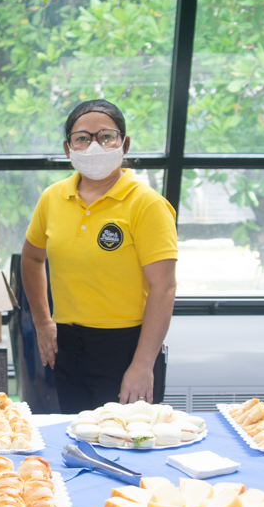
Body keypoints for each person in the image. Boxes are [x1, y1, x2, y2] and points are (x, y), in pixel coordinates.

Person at [20, 100, 178, 413]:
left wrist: (143, 365)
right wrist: (42, 322)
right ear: (68, 149)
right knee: (78, 437)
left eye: (106, 136)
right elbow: (31, 259)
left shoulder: (146, 204)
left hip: (128, 347)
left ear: (124, 143)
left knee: (129, 444)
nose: (94, 146)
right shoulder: (52, 198)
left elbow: (164, 287)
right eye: (82, 138)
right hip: (68, 345)